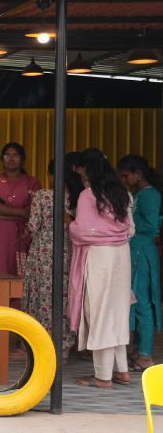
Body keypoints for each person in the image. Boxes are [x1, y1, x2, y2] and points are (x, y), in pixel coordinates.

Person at [71, 148, 134, 389]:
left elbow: (81, 230)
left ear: (86, 170)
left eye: (80, 169)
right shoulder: (123, 193)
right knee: (116, 313)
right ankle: (122, 371)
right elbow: (130, 229)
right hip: (121, 255)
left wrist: (70, 225)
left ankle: (103, 376)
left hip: (99, 257)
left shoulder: (88, 196)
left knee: (99, 313)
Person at [22, 159, 76, 358]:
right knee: (65, 297)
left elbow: (33, 225)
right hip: (69, 251)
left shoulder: (42, 196)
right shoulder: (78, 197)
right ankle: (64, 346)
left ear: (51, 175)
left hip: (43, 252)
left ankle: (41, 345)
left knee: (42, 295)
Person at [118, 154, 163, 371]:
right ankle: (138, 350)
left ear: (138, 174)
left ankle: (145, 354)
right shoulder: (138, 194)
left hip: (143, 253)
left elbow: (151, 225)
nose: (124, 180)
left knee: (143, 301)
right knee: (134, 301)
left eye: (126, 175)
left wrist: (126, 222)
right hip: (135, 251)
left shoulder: (150, 195)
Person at [0, 142, 41, 278]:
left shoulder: (32, 182)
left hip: (24, 234)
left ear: (22, 159)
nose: (11, 159)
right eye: (7, 155)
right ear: (2, 159)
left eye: (15, 155)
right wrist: (21, 212)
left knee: (22, 274)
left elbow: (34, 210)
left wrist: (4, 213)